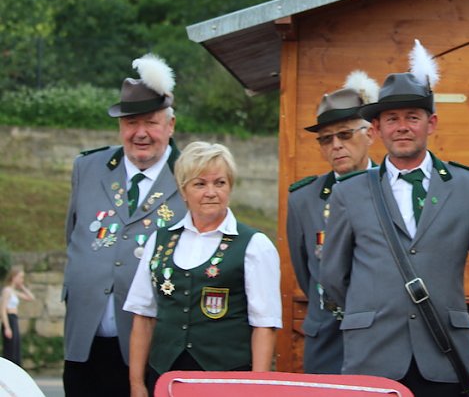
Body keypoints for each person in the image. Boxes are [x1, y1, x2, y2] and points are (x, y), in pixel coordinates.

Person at [320, 40, 469, 397]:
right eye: (392, 119)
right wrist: (372, 311)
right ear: (376, 129)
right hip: (372, 354)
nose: (402, 127)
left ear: (431, 123)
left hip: (441, 355)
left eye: (413, 117)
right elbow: (333, 275)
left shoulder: (468, 186)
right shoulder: (349, 192)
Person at [62, 54, 187, 397]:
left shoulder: (191, 175)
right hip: (85, 342)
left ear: (171, 125)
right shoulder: (88, 167)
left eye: (151, 122)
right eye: (131, 123)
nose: (140, 133)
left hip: (155, 346)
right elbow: (73, 237)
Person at [124, 141, 281, 397]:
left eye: (220, 183)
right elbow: (143, 315)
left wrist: (256, 388)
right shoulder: (159, 240)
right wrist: (137, 384)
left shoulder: (255, 245)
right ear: (183, 191)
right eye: (200, 184)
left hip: (227, 379)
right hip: (165, 376)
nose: (211, 192)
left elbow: (264, 325)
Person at [287, 70, 379, 374]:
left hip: (382, 337)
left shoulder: (392, 190)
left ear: (370, 133)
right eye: (326, 139)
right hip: (327, 337)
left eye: (345, 134)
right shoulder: (304, 199)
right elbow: (307, 274)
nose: (336, 145)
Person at [2, 267, 35, 365]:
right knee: (10, 349)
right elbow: (2, 309)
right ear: (14, 277)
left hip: (14, 319)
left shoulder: (14, 291)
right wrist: (7, 327)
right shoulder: (7, 290)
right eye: (20, 277)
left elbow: (31, 298)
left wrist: (22, 287)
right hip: (9, 319)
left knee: (16, 348)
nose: (22, 279)